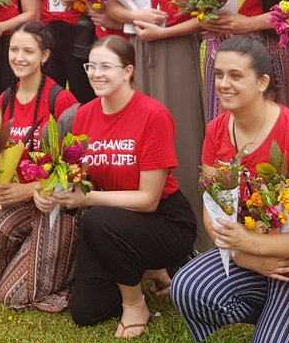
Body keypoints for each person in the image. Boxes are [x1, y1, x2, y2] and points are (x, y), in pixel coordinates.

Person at [171, 35, 289, 343]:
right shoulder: (217, 129)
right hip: (251, 258)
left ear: (262, 82)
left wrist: (254, 245)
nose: (223, 83)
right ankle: (273, 313)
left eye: (236, 75)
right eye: (219, 74)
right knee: (189, 287)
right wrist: (244, 256)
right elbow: (213, 212)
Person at [37, 36, 195, 339]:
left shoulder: (153, 115)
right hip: (112, 223)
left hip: (164, 220)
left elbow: (149, 200)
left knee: (96, 218)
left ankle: (135, 302)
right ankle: (152, 272)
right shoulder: (84, 115)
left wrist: (87, 199)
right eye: (91, 66)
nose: (96, 74)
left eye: (106, 66)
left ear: (127, 71)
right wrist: (52, 193)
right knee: (86, 312)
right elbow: (80, 177)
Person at [103, 0, 205, 248]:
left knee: (183, 134)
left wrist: (168, 31)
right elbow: (106, 4)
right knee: (141, 133)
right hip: (139, 52)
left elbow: (207, 16)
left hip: (176, 52)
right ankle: (147, 225)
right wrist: (135, 13)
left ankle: (193, 229)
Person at [0, 23, 79, 311]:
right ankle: (26, 259)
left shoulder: (61, 100)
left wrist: (29, 189)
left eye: (28, 51)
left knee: (11, 297)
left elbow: (74, 170)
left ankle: (70, 272)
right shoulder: (3, 100)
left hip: (53, 203)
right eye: (14, 50)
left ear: (44, 56)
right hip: (17, 198)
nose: (19, 57)